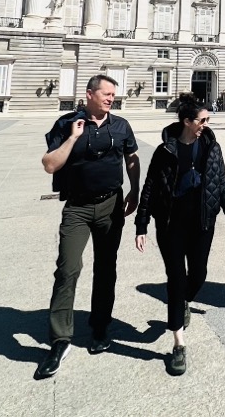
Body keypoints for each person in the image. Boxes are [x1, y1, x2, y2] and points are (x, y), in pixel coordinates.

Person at [37, 75, 141, 379]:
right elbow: (49, 164)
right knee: (67, 269)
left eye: (113, 94)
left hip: (111, 204)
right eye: (106, 93)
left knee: (106, 268)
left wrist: (135, 190)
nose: (111, 98)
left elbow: (132, 158)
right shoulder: (67, 123)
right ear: (89, 94)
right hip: (77, 208)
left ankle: (99, 329)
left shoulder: (120, 125)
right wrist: (72, 138)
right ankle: (59, 340)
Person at [135, 102, 225, 376]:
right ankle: (179, 343)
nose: (206, 124)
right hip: (170, 224)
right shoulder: (164, 151)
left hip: (202, 221)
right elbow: (150, 187)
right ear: (186, 121)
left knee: (199, 274)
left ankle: (182, 302)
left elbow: (221, 179)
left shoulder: (211, 146)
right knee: (176, 279)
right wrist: (142, 223)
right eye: (202, 120)